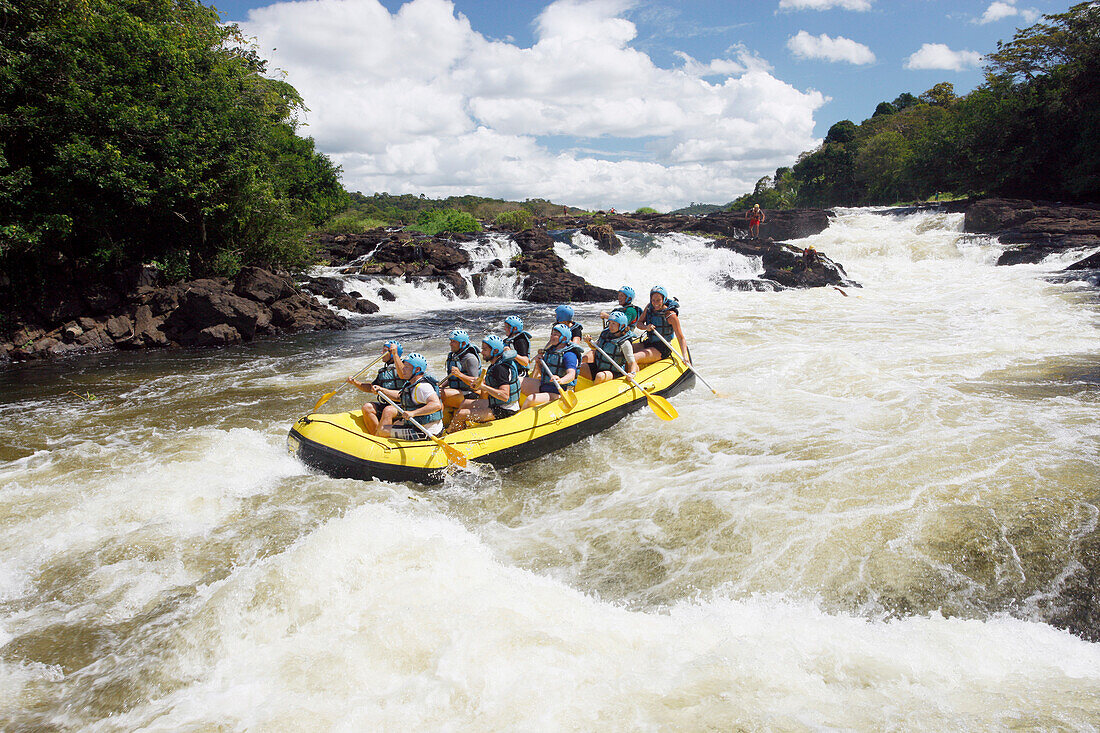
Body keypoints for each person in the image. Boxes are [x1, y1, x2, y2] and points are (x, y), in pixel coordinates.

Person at [447, 335, 522, 431]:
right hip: (498, 404)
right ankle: (461, 430)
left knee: (461, 414)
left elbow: (505, 396)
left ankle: (450, 435)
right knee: (465, 403)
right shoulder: (496, 364)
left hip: (505, 410)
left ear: (495, 351)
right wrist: (479, 383)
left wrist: (483, 387)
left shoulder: (500, 369)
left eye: (485, 349)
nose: (482, 352)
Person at [361, 352, 444, 440]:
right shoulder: (411, 384)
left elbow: (436, 405)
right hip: (419, 426)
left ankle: (380, 447)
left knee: (382, 430)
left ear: (417, 370)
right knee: (396, 423)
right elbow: (399, 397)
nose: (403, 369)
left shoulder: (423, 387)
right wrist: (382, 390)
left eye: (407, 367)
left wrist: (413, 413)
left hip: (426, 432)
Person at [520, 324, 579, 408]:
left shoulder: (569, 355)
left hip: (559, 392)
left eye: (555, 335)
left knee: (530, 399)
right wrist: (538, 364)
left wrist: (560, 380)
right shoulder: (551, 351)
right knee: (518, 381)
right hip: (545, 385)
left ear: (564, 338)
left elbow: (571, 375)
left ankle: (520, 418)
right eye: (551, 334)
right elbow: (544, 374)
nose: (551, 336)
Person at [347, 340, 406, 419]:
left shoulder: (405, 367)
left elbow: (403, 375)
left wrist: (395, 354)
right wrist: (355, 382)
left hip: (404, 406)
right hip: (387, 405)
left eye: (385, 351)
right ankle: (376, 431)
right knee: (367, 407)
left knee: (388, 410)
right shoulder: (383, 371)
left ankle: (384, 429)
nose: (382, 353)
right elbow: (371, 387)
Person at [633, 285, 689, 368]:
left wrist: (685, 356)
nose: (655, 303)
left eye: (658, 300)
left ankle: (632, 375)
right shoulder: (649, 308)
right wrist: (646, 327)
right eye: (653, 300)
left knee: (633, 358)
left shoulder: (670, 315)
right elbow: (639, 324)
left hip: (663, 347)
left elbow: (681, 338)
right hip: (650, 342)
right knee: (623, 351)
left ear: (664, 299)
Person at [579, 311, 637, 383]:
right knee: (580, 367)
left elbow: (632, 362)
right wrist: (588, 342)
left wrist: (632, 373)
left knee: (600, 376)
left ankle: (595, 392)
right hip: (598, 367)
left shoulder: (625, 343)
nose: (610, 326)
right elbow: (595, 347)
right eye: (609, 323)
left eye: (613, 324)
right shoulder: (606, 334)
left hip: (614, 372)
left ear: (622, 326)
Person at [441, 329, 481, 420]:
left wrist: (460, 375)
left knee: (440, 394)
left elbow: (476, 384)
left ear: (462, 344)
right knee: (436, 390)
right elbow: (453, 378)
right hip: (458, 391)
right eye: (451, 341)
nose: (450, 344)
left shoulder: (470, 359)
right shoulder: (454, 356)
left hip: (471, 394)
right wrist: (440, 385)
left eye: (454, 342)